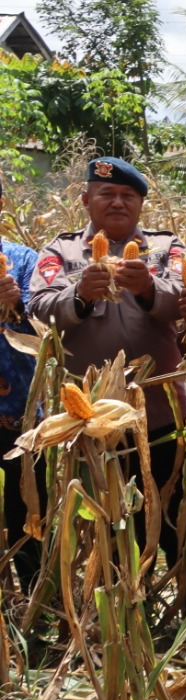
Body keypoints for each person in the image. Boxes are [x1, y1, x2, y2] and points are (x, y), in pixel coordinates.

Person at [28, 158, 186, 583]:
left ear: (141, 204)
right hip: (89, 418)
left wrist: (149, 288)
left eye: (128, 195)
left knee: (176, 513)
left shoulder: (167, 248)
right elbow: (38, 308)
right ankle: (121, 610)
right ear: (86, 199)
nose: (117, 202)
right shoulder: (60, 251)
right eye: (106, 193)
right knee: (108, 519)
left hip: (161, 412)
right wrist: (78, 296)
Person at [1, 176, 40, 592]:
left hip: (22, 417)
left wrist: (18, 304)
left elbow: (47, 329)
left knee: (27, 511)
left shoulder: (24, 259)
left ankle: (33, 607)